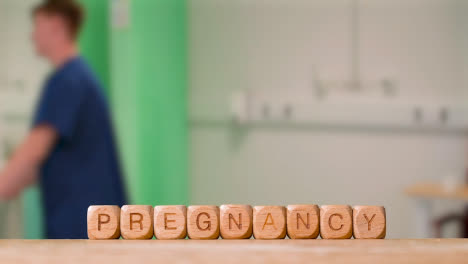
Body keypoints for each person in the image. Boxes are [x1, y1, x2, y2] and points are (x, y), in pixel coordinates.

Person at [0, 0, 127, 239]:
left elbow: (33, 153)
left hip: (81, 223)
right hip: (92, 220)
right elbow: (39, 166)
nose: (32, 35)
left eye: (37, 25)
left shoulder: (67, 81)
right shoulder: (80, 77)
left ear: (57, 26)